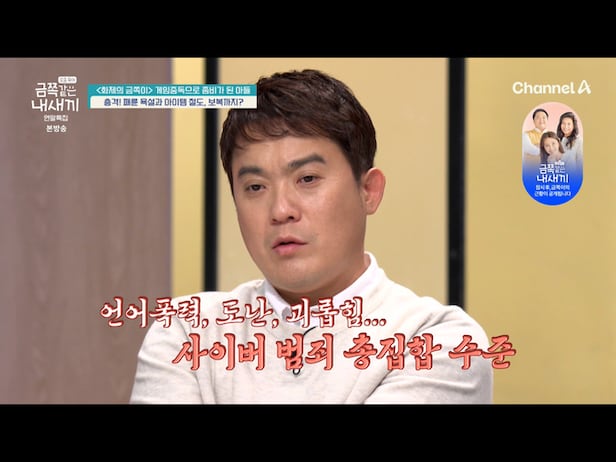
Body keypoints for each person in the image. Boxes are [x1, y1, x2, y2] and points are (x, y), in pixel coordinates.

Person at [129, 69, 494, 404]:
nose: (280, 209)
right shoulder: (185, 331)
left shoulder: (438, 339)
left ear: (369, 191)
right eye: (255, 186)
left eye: (307, 179)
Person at [556, 111, 583, 175]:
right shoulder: (557, 139)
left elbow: (580, 162)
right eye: (563, 123)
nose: (566, 126)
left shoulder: (578, 140)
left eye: (569, 124)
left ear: (573, 126)